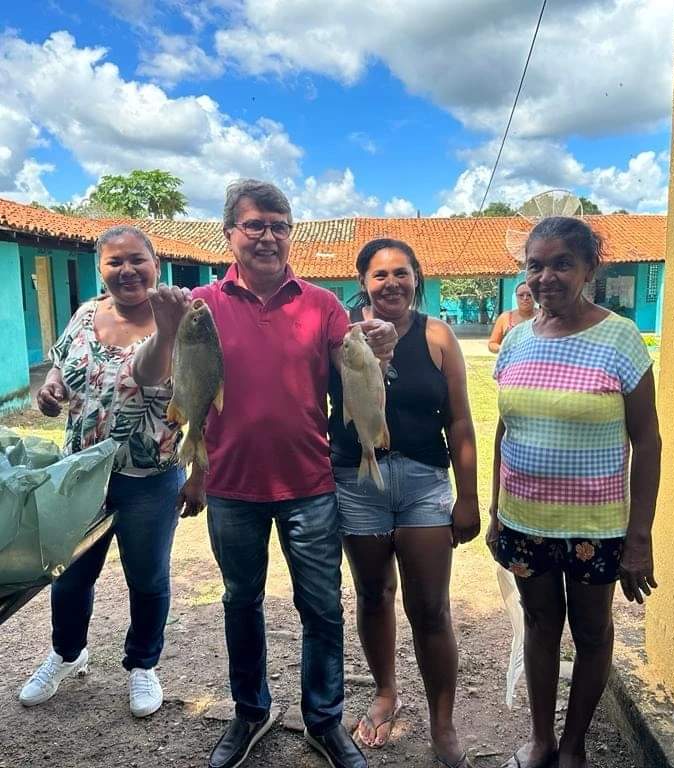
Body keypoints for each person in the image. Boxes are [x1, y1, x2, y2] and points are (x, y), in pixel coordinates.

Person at [145, 179, 396, 768]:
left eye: (279, 224)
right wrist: (164, 326)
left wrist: (380, 342)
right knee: (241, 602)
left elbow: (356, 364)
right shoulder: (199, 309)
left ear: (291, 233)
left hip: (309, 484)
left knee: (323, 608)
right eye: (254, 224)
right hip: (232, 485)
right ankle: (252, 712)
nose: (267, 236)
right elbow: (170, 382)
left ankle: (324, 719)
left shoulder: (322, 304)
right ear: (230, 233)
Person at [486, 217, 661, 768]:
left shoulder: (620, 339)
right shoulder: (515, 340)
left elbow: (648, 442)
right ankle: (541, 740)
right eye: (536, 265)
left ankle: (573, 745)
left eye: (562, 263)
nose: (547, 277)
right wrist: (496, 512)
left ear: (589, 268)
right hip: (525, 521)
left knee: (590, 630)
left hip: (597, 528)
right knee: (540, 625)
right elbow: (504, 429)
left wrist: (639, 537)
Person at [18, 226, 189, 719]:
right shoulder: (84, 315)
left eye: (137, 259)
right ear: (101, 270)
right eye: (115, 262)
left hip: (150, 476)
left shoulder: (181, 321)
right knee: (69, 574)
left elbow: (154, 374)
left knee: (147, 577)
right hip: (79, 475)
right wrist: (50, 390)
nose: (127, 270)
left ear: (156, 263)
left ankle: (142, 665)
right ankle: (68, 653)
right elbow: (60, 372)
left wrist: (170, 327)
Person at [328, 238, 481, 768]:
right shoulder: (341, 336)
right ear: (363, 282)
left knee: (431, 608)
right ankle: (386, 692)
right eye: (378, 275)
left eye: (401, 272)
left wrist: (468, 496)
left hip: (423, 484)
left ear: (417, 276)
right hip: (357, 481)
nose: (390, 282)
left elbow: (460, 420)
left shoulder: (438, 336)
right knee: (372, 596)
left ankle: (443, 722)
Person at [487, 282, 535, 353]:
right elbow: (492, 344)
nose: (525, 298)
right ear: (516, 297)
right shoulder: (506, 317)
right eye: (521, 295)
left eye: (529, 295)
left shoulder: (543, 316)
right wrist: (504, 349)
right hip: (510, 362)